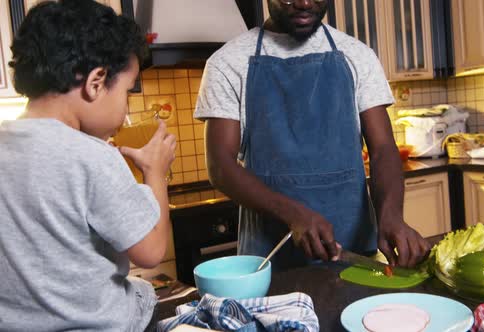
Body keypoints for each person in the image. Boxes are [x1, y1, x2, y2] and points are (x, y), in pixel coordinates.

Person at [196, 0, 431, 270]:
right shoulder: (228, 63)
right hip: (269, 257)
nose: (305, 3)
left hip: (355, 252)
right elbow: (220, 166)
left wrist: (391, 215)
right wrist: (292, 214)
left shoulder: (358, 55)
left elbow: (383, 149)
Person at [0, 1, 176, 331]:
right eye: (127, 91)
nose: (125, 111)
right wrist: (155, 172)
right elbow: (151, 252)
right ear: (96, 82)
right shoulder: (92, 157)